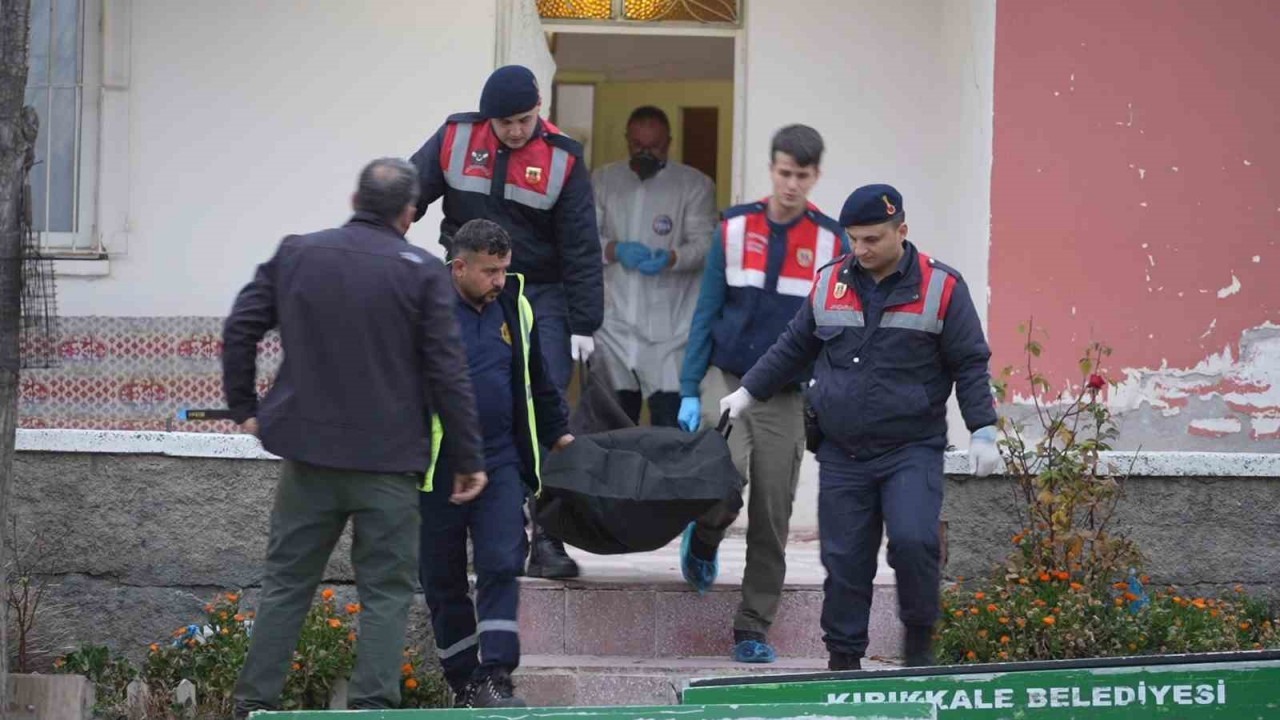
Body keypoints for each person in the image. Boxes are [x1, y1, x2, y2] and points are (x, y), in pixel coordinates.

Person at [222, 158, 487, 716]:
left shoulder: (299, 253)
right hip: (390, 466)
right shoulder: (421, 273)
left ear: (354, 200)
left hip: (309, 461)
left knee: (287, 584)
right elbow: (448, 371)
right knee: (386, 592)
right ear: (409, 214)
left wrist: (244, 407)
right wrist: (467, 456)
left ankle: (253, 705)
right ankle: (371, 709)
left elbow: (241, 326)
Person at [719, 183, 1003, 670]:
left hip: (911, 448)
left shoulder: (942, 288)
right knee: (845, 560)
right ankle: (844, 661)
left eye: (872, 239)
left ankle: (919, 646)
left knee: (914, 542)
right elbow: (793, 346)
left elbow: (970, 363)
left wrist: (983, 429)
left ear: (901, 231)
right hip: (842, 451)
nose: (861, 249)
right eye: (853, 238)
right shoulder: (830, 281)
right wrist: (748, 393)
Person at [409, 64, 600, 579]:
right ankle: (473, 522)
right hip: (464, 284)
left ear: (540, 109)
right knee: (460, 394)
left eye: (523, 120)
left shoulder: (562, 158)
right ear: (486, 117)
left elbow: (582, 245)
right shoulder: (456, 137)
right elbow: (409, 196)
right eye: (504, 123)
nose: (515, 131)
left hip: (539, 292)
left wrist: (585, 323)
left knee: (545, 406)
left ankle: (549, 539)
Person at [676, 125, 849, 664]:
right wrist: (688, 388)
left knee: (773, 511)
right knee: (723, 478)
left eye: (802, 175)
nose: (791, 184)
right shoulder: (733, 228)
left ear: (816, 176)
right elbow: (706, 311)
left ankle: (752, 627)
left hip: (785, 393)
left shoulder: (831, 242)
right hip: (726, 379)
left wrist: (827, 395)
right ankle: (705, 537)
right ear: (771, 169)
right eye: (784, 172)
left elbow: (838, 329)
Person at [419, 219, 573, 708]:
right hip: (438, 467)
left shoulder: (514, 305)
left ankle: (497, 675)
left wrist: (558, 432)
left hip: (502, 459)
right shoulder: (426, 306)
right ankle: (464, 682)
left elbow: (537, 376)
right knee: (441, 578)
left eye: (504, 269)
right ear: (458, 267)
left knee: (501, 562)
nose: (499, 280)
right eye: (490, 271)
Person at [592, 105, 716, 428]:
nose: (645, 153)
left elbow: (706, 245)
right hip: (614, 326)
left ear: (669, 143)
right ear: (627, 141)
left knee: (667, 431)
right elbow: (582, 239)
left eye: (655, 146)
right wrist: (615, 249)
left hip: (670, 331)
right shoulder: (604, 181)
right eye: (637, 145)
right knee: (613, 430)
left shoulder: (694, 185)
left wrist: (672, 258)